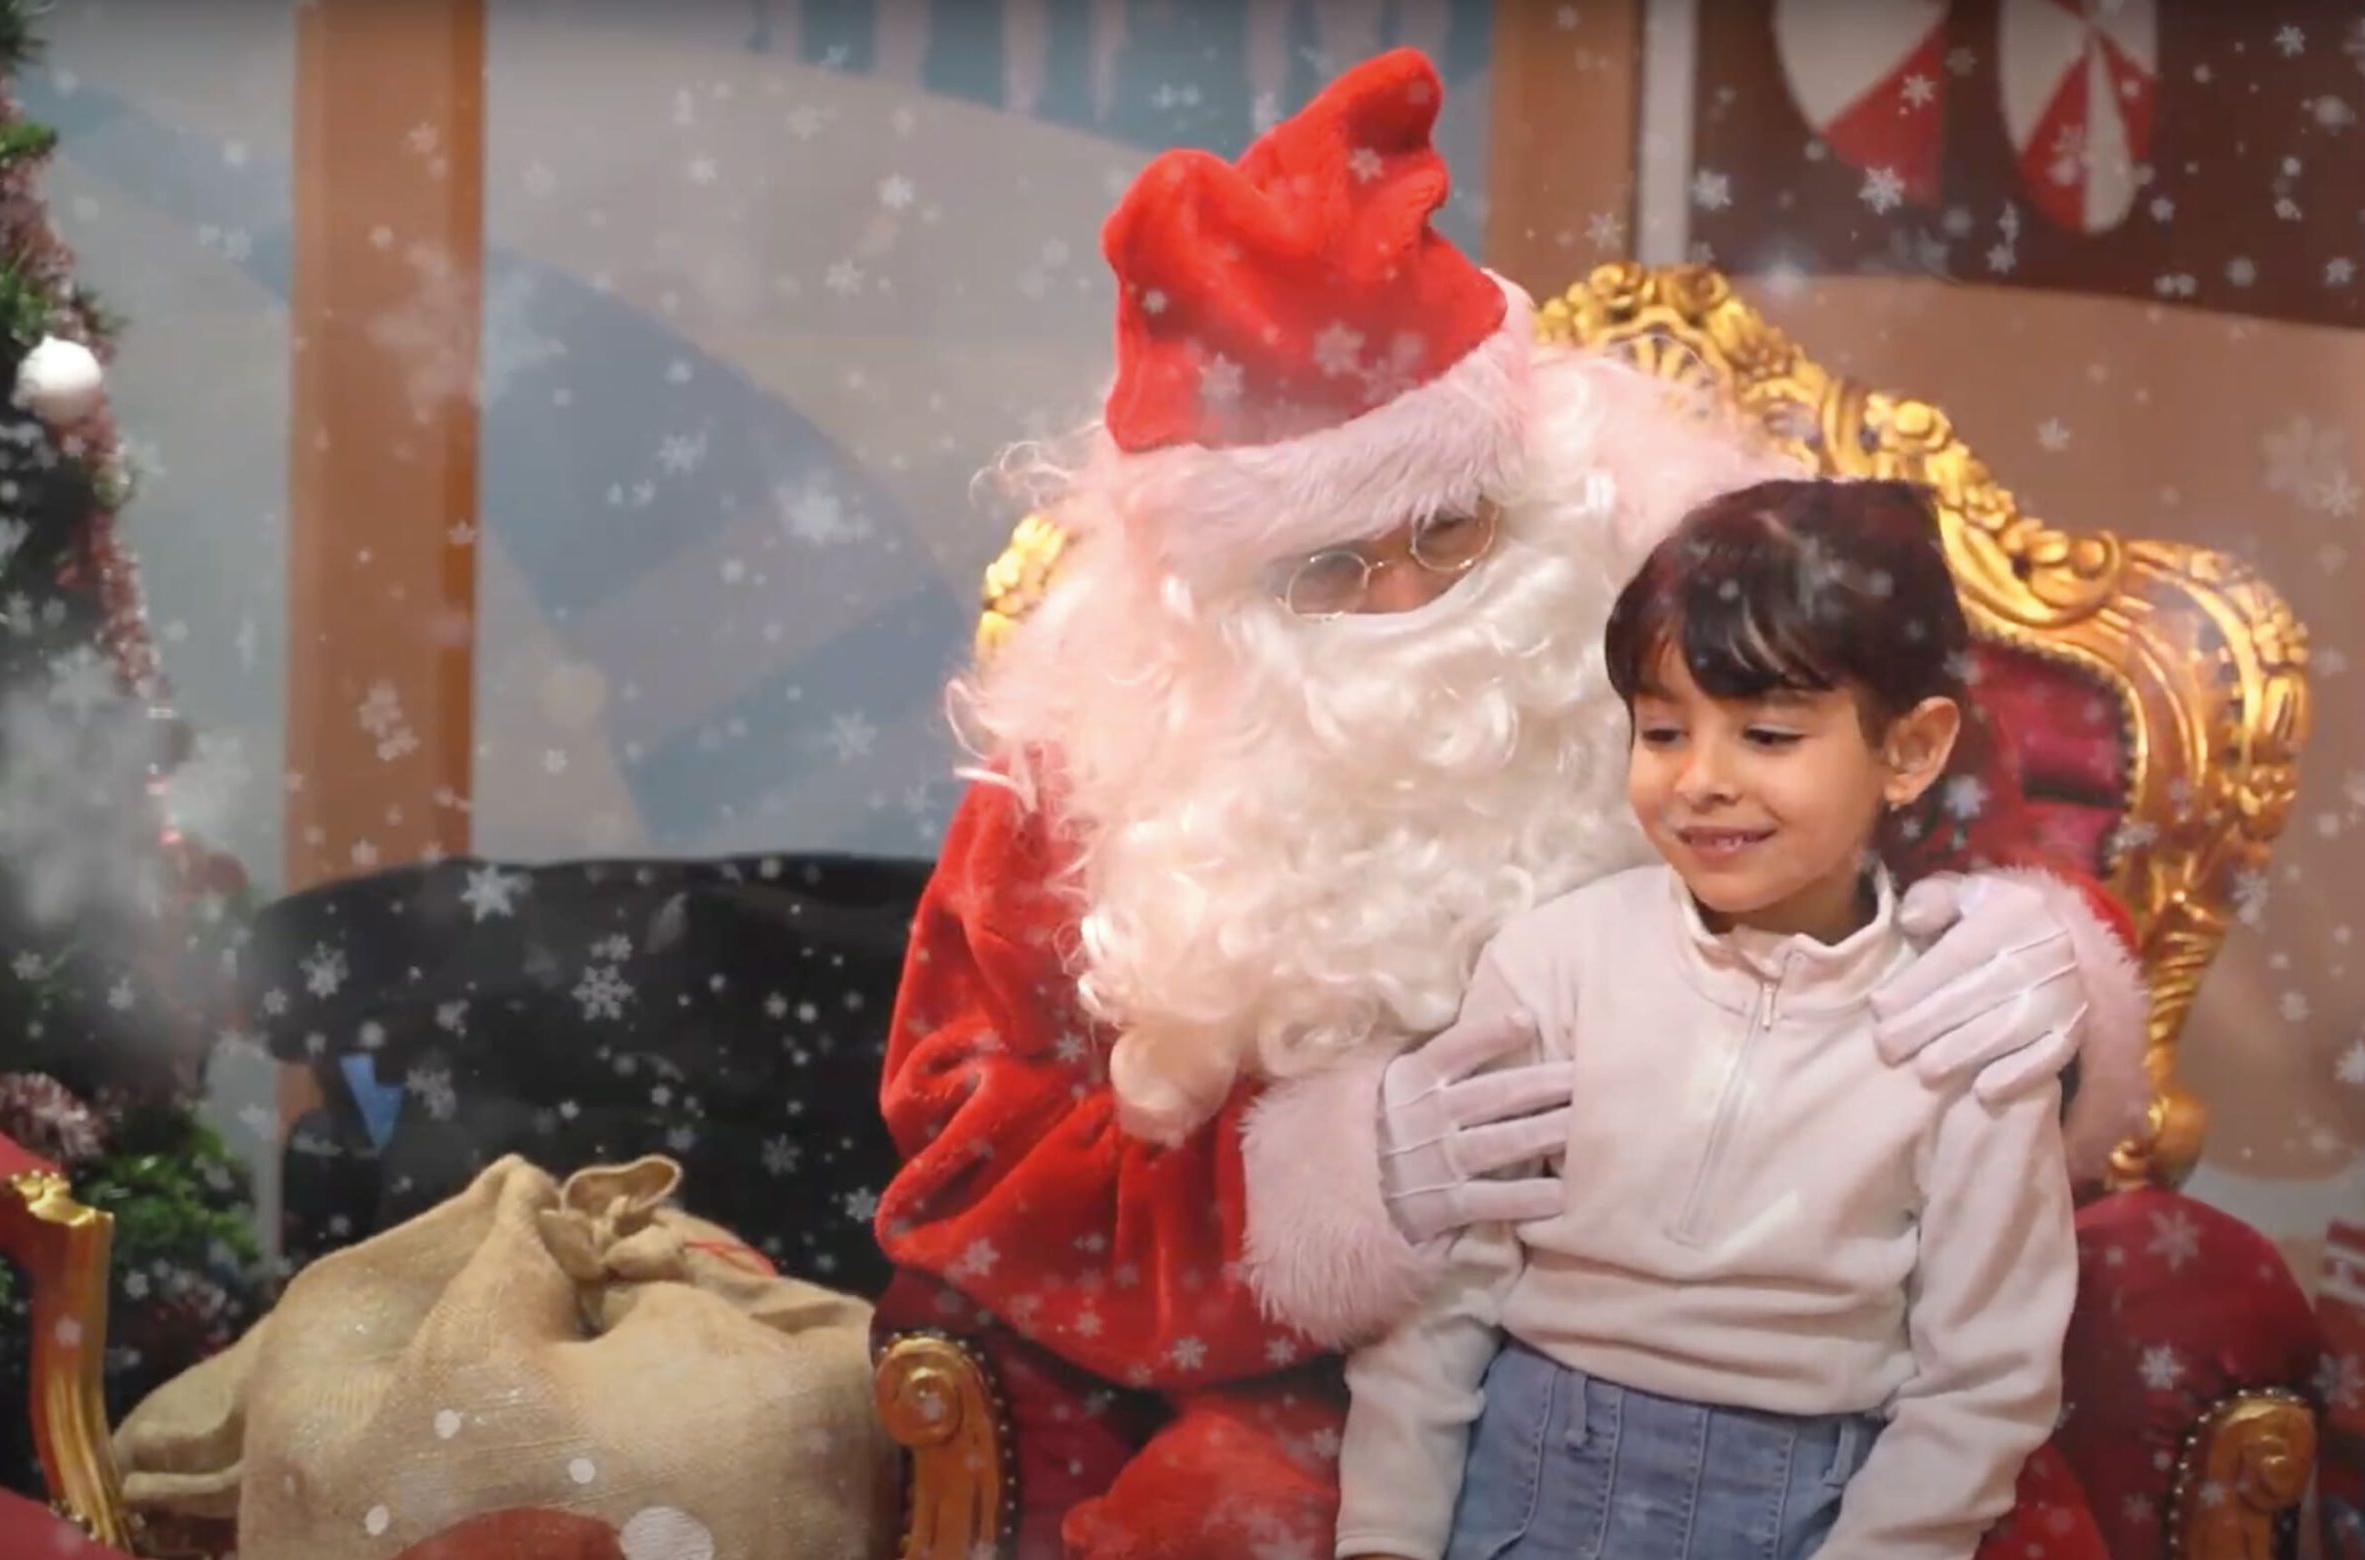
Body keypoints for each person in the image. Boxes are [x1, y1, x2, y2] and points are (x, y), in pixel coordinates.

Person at [874, 47, 2147, 1560]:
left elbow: (1966, 834)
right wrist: (1304, 1197)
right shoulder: (1103, 751)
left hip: (1823, 1365)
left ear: (1533, 466)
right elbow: (964, 1149)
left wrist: (2043, 958)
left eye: (1449, 525)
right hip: (1319, 1374)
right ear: (1211, 588)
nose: (1407, 600)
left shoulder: (1697, 603)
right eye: (1328, 570)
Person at [1338, 478, 2081, 1560]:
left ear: (1911, 750)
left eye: (1767, 735)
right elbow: (1440, 1304)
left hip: (1801, 1510)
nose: (1699, 781)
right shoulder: (1553, 965)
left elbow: (1985, 1381)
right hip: (1528, 1483)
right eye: (1662, 731)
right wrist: (1384, 1537)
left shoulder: (1963, 1024)